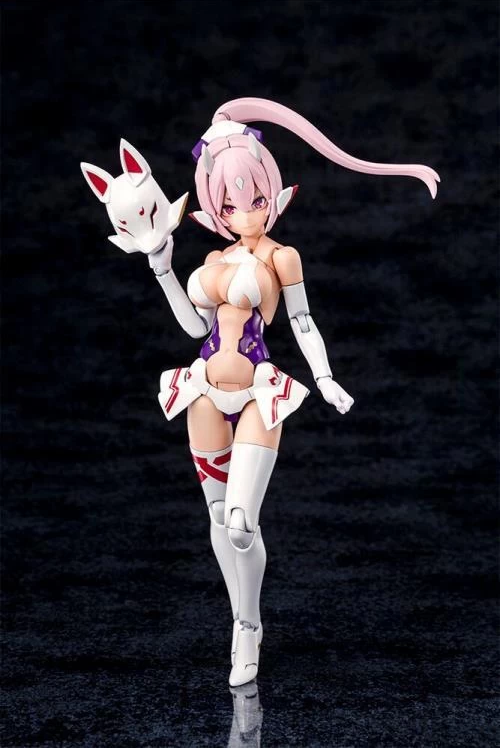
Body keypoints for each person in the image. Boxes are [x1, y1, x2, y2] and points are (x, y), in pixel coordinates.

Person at [81, 97, 439, 687]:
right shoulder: (214, 256)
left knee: (242, 522)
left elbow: (302, 321)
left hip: (255, 394)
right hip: (203, 393)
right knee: (218, 519)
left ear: (271, 192)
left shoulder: (282, 256)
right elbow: (194, 328)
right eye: (227, 201)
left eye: (251, 197)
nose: (241, 211)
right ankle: (242, 623)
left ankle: (249, 623)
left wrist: (325, 377)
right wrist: (162, 267)